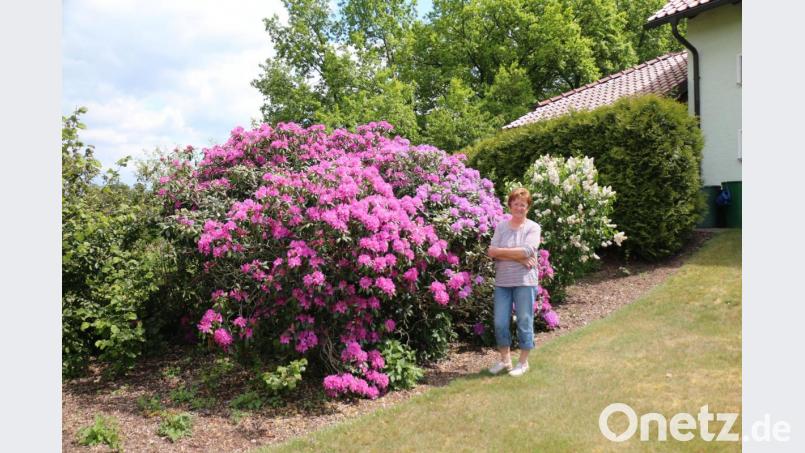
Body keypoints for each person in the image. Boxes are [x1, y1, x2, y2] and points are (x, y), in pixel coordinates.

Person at [486, 187, 541, 377]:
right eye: (516, 204)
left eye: (523, 205)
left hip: (525, 282)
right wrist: (518, 257)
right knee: (500, 321)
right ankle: (505, 360)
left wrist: (504, 252)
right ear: (510, 206)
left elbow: (527, 251)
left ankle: (523, 362)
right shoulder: (501, 227)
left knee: (525, 320)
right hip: (503, 282)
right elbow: (491, 251)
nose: (519, 208)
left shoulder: (533, 227)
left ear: (528, 208)